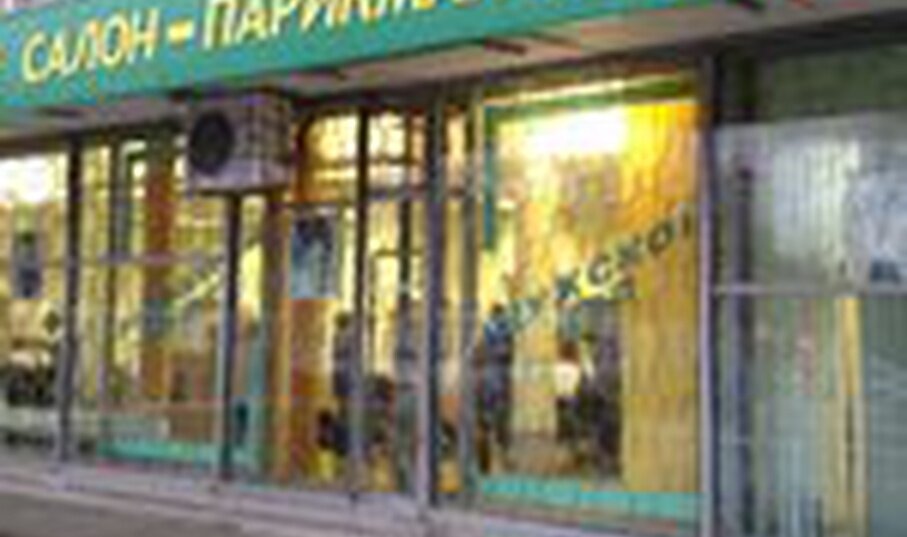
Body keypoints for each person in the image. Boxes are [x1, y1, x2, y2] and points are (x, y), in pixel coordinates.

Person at [476, 303, 514, 473]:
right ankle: (500, 454)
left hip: (489, 379)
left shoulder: (487, 331)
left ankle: (488, 459)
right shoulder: (504, 331)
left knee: (488, 419)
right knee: (499, 418)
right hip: (497, 380)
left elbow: (481, 354)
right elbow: (507, 354)